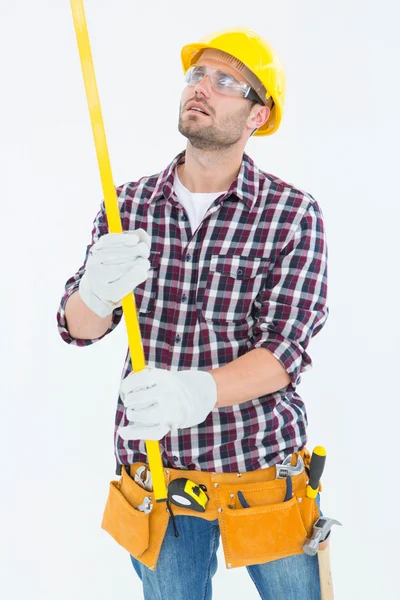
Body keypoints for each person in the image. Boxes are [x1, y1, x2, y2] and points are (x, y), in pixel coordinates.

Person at [57, 27, 328, 600]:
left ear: (259, 115)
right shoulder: (125, 204)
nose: (202, 87)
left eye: (227, 81)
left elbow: (286, 351)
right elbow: (76, 329)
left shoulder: (291, 214)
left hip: (259, 475)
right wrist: (97, 294)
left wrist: (197, 391)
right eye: (196, 75)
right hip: (156, 475)